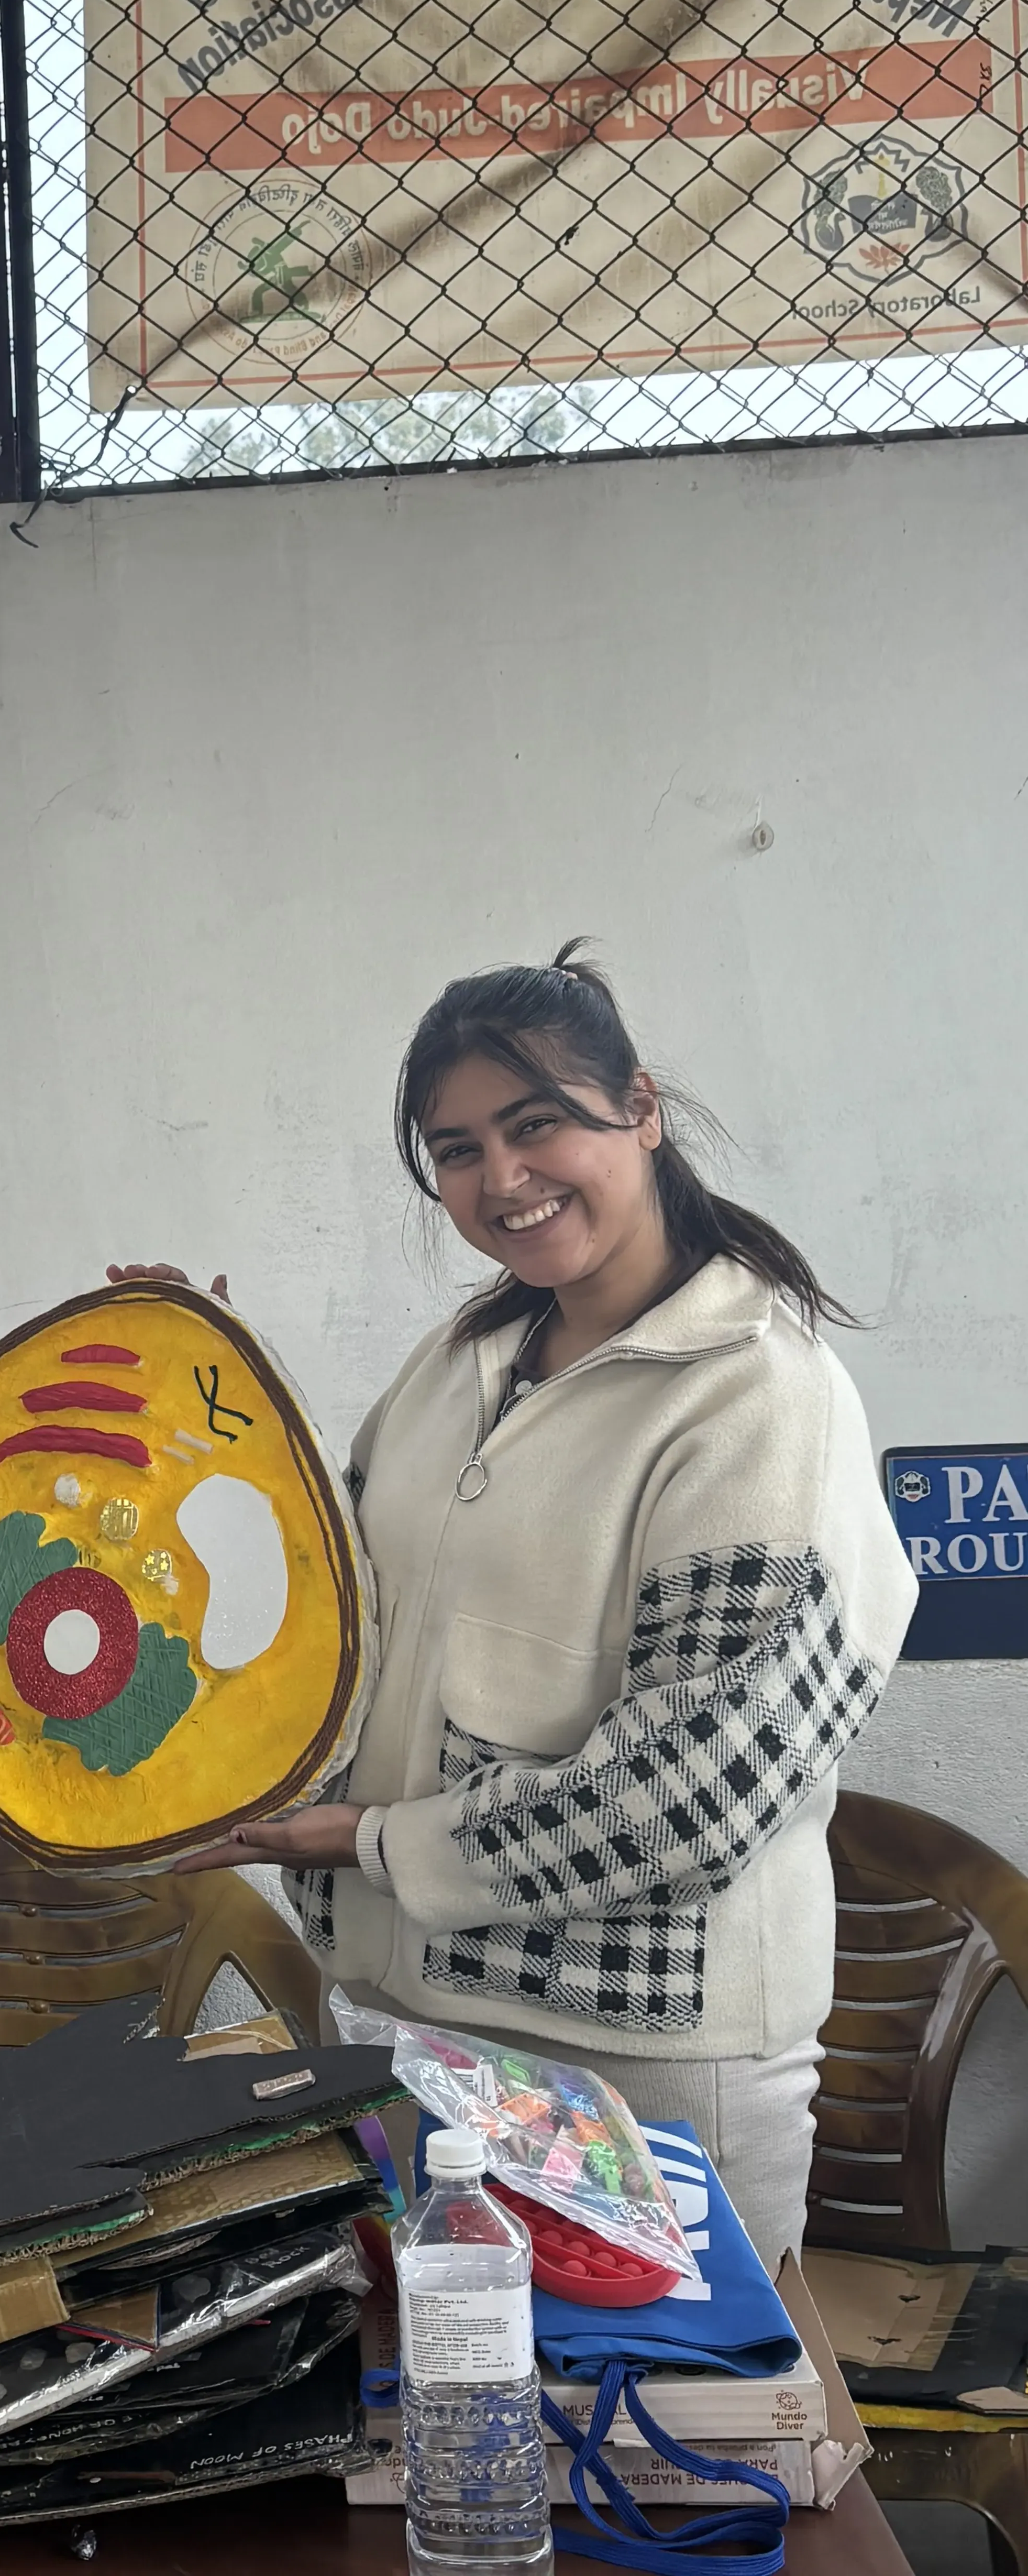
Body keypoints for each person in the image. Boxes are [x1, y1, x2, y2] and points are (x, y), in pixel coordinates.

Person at [130, 946, 916, 2272]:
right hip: (401, 2025)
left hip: (639, 2070)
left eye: (537, 1121)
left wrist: (375, 1842)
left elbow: (699, 1790)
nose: (502, 1179)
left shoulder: (757, 1394)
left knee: (654, 2457)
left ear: (642, 1108)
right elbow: (341, 1608)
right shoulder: (464, 1361)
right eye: (457, 1149)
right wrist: (210, 1415)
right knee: (444, 2447)